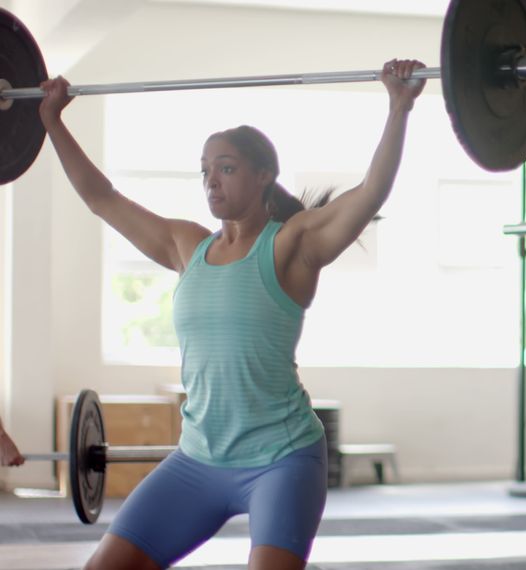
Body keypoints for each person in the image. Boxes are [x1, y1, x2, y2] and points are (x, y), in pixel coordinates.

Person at [37, 58, 426, 570]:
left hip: (282, 460)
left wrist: (398, 108)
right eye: (205, 169)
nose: (211, 180)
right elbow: (100, 197)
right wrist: (52, 122)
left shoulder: (292, 245)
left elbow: (370, 191)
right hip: (197, 459)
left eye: (226, 167)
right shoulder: (185, 246)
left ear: (264, 175)